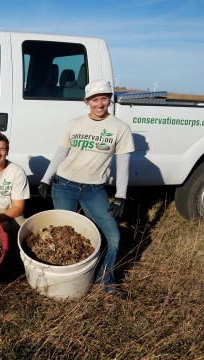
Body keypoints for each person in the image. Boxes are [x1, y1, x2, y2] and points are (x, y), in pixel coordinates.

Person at [38, 79, 135, 300]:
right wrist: (45, 179)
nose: (100, 104)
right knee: (65, 235)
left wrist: (120, 197)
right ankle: (65, 281)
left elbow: (123, 166)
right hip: (64, 185)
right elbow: (60, 154)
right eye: (94, 99)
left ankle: (105, 280)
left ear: (110, 98)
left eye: (104, 98)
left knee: (114, 237)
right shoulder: (74, 124)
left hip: (94, 190)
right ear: (86, 101)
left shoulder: (120, 129)